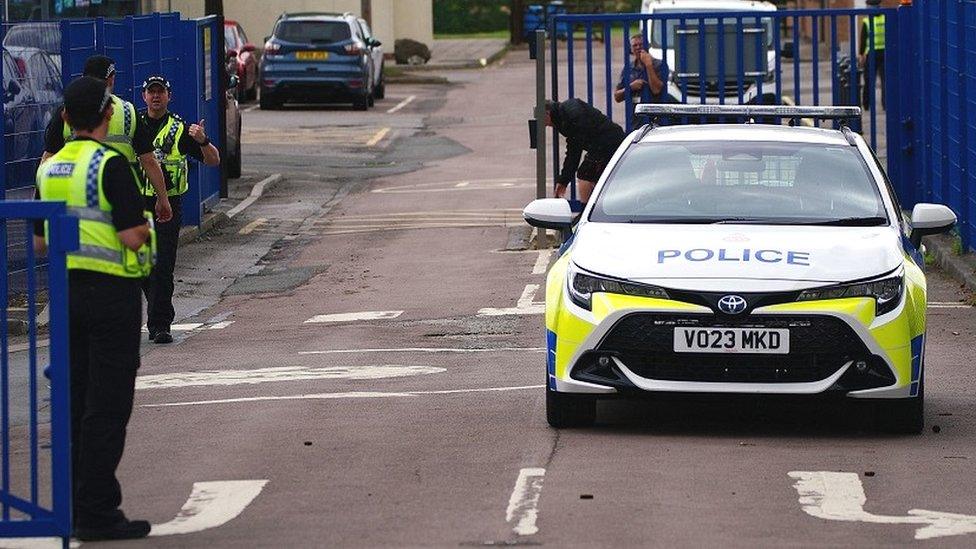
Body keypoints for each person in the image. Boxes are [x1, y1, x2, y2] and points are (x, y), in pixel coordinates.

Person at [33, 76, 154, 541]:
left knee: (75, 400)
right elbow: (130, 235)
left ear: (65, 118)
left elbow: (41, 242)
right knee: (106, 406)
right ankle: (98, 510)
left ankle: (74, 504)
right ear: (107, 117)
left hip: (65, 297)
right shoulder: (110, 166)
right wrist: (144, 229)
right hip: (112, 296)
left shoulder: (50, 169)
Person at [41, 55, 173, 224]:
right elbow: (148, 160)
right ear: (111, 79)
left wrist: (41, 205)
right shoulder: (128, 111)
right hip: (124, 200)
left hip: (75, 199)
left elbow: (48, 159)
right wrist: (162, 199)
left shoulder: (67, 111)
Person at [139, 75, 220, 344]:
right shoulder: (134, 126)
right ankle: (156, 309)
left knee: (162, 266)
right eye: (151, 92)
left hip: (168, 206)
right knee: (141, 266)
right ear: (144, 97)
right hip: (137, 202)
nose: (156, 96)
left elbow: (213, 160)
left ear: (168, 96)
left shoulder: (180, 130)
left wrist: (203, 140)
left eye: (160, 92)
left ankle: (160, 325)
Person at [545, 98, 626, 204]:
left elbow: (574, 149)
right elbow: (573, 148)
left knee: (585, 174)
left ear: (547, 113)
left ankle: (585, 212)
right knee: (596, 177)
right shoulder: (562, 116)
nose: (545, 125)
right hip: (606, 142)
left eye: (543, 121)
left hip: (608, 143)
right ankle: (597, 209)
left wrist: (564, 180)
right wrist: (563, 181)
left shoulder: (570, 114)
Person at [859, 0, 885, 111]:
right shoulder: (885, 18)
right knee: (885, 80)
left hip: (872, 53)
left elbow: (863, 39)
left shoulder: (867, 21)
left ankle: (866, 104)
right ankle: (885, 104)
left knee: (869, 80)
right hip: (885, 52)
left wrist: (861, 54)